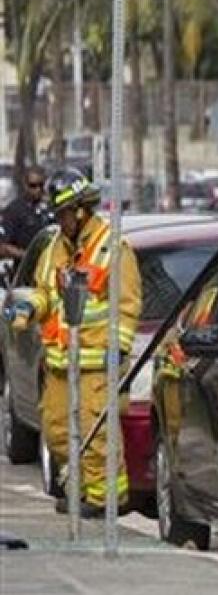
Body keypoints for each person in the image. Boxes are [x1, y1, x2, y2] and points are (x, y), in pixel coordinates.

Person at [8, 167, 142, 517]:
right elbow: (45, 293)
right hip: (58, 364)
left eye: (64, 214)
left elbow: (127, 306)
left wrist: (117, 352)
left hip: (96, 366)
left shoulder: (113, 249)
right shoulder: (54, 248)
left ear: (81, 211)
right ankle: (81, 491)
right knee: (56, 432)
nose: (61, 220)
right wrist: (29, 308)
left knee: (95, 435)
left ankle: (104, 500)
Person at [0, 165, 53, 262]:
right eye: (33, 185)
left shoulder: (51, 206)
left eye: (41, 185)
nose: (38, 189)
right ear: (25, 185)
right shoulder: (14, 210)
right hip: (26, 270)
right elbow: (3, 247)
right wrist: (29, 256)